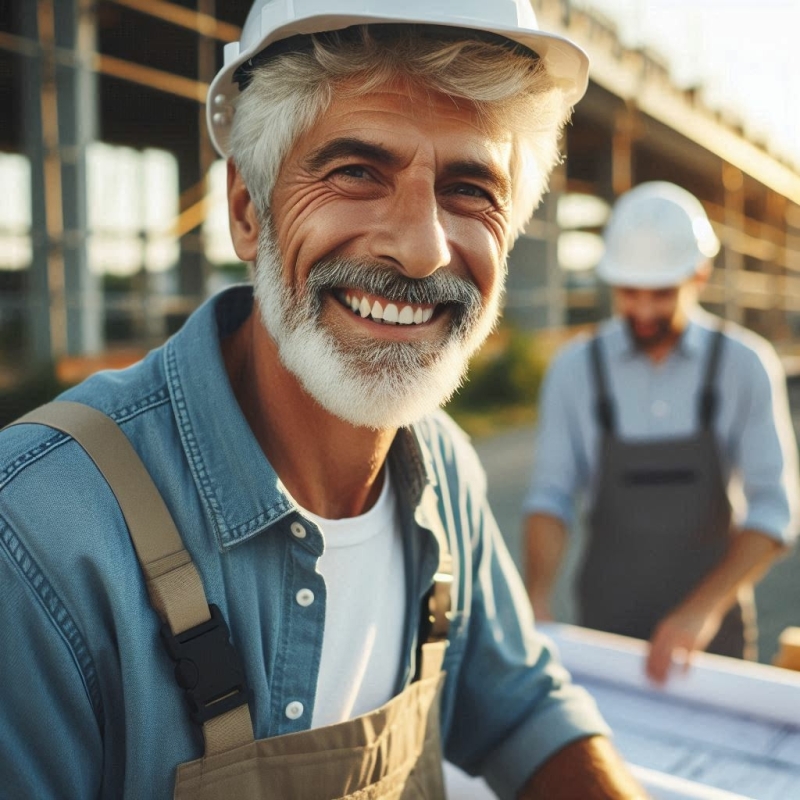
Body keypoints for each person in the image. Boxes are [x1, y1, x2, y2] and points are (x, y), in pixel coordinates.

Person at [0, 2, 648, 798]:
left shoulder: (439, 465)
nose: (420, 247)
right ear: (247, 208)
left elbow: (522, 712)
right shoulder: (37, 536)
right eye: (356, 172)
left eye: (470, 187)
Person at [523, 181, 799, 684]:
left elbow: (774, 510)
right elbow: (550, 497)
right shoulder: (573, 370)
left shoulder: (745, 365)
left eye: (662, 293)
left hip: (713, 641)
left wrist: (701, 610)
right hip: (605, 630)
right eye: (630, 292)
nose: (644, 311)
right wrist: (536, 595)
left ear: (699, 274)